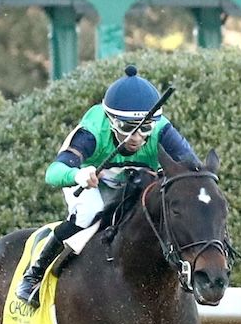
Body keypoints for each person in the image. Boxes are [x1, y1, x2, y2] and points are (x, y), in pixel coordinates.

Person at [14, 65, 199, 307]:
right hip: (91, 178)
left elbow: (193, 167)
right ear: (111, 120)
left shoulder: (162, 130)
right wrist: (79, 174)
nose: (137, 138)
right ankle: (34, 274)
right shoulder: (93, 132)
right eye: (127, 129)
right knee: (90, 213)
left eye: (145, 128)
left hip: (135, 178)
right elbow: (53, 173)